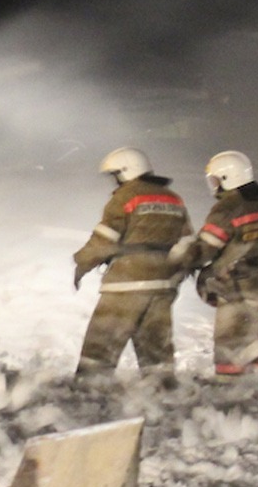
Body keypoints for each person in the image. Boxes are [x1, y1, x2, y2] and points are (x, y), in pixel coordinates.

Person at [71, 146, 194, 374]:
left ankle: (88, 394)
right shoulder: (174, 198)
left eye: (115, 175)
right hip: (162, 286)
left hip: (125, 284)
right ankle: (162, 395)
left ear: (126, 171)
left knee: (100, 348)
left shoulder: (126, 197)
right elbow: (188, 243)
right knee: (156, 352)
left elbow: (104, 240)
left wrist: (81, 262)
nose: (115, 182)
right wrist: (175, 276)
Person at [192, 150, 258, 375]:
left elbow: (205, 248)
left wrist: (182, 260)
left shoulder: (229, 206)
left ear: (226, 178)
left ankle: (229, 394)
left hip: (237, 291)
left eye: (215, 180)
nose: (213, 185)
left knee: (230, 346)